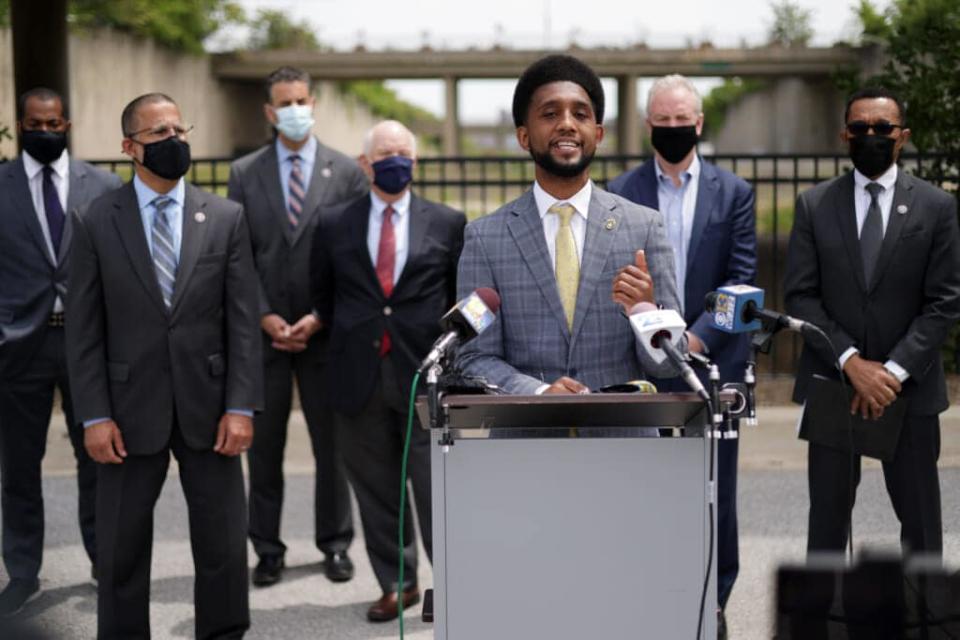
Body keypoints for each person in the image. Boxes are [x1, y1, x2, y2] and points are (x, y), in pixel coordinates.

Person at [65, 93, 262, 639]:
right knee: (121, 549)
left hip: (213, 407)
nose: (174, 141)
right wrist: (93, 416)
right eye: (159, 134)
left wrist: (241, 405)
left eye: (180, 129)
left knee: (222, 544)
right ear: (130, 147)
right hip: (125, 414)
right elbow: (83, 331)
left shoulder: (225, 217)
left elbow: (243, 321)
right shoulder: (94, 221)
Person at [607, 74, 756, 632]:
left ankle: (713, 601)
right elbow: (616, 278)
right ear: (649, 126)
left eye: (682, 121)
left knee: (717, 490)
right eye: (662, 122)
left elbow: (740, 280)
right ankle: (654, 594)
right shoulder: (619, 191)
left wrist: (692, 340)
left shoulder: (733, 193)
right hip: (643, 367)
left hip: (713, 365)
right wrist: (658, 339)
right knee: (648, 488)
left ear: (699, 123)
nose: (673, 130)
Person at [784, 87, 960, 558]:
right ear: (845, 134)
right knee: (826, 529)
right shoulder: (814, 204)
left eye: (882, 128)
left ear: (902, 137)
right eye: (859, 127)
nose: (870, 136)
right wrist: (852, 364)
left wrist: (891, 372)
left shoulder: (936, 207)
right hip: (833, 384)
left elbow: (944, 301)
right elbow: (801, 295)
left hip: (911, 388)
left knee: (922, 530)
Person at [310, 120, 465, 622]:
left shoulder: (447, 222)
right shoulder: (334, 222)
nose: (394, 159)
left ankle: (456, 586)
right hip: (358, 374)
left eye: (403, 152)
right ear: (364, 163)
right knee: (376, 486)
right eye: (384, 152)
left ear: (414, 163)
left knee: (433, 484)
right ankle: (397, 583)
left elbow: (456, 298)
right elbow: (322, 295)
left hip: (424, 374)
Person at [456, 54, 682, 396]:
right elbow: (473, 358)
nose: (566, 124)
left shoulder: (644, 227)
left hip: (624, 439)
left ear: (598, 133)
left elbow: (669, 364)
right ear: (523, 136)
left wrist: (646, 312)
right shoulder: (485, 238)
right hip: (526, 442)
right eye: (550, 114)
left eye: (580, 114)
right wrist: (539, 393)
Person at [227, 66, 366, 587]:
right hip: (261, 334)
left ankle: (335, 545)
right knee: (263, 449)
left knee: (332, 447)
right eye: (284, 102)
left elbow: (350, 257)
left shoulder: (345, 171)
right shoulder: (245, 173)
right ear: (269, 111)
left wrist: (316, 316)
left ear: (314, 103)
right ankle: (267, 548)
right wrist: (264, 315)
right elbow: (236, 253)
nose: (294, 109)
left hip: (322, 332)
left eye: (302, 99)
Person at [0, 87, 121, 617]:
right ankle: (23, 572)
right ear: (20, 125)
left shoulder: (104, 185)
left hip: (85, 343)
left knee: (95, 457)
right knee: (19, 466)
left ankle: (103, 562)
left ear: (66, 124)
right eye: (34, 123)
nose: (43, 131)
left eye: (52, 123)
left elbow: (120, 270)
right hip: (17, 348)